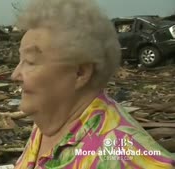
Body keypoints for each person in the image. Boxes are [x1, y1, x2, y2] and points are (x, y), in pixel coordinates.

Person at [11, 0, 175, 168]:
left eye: (30, 62)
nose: (14, 75)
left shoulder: (121, 155)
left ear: (80, 73)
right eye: (20, 60)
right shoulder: (49, 121)